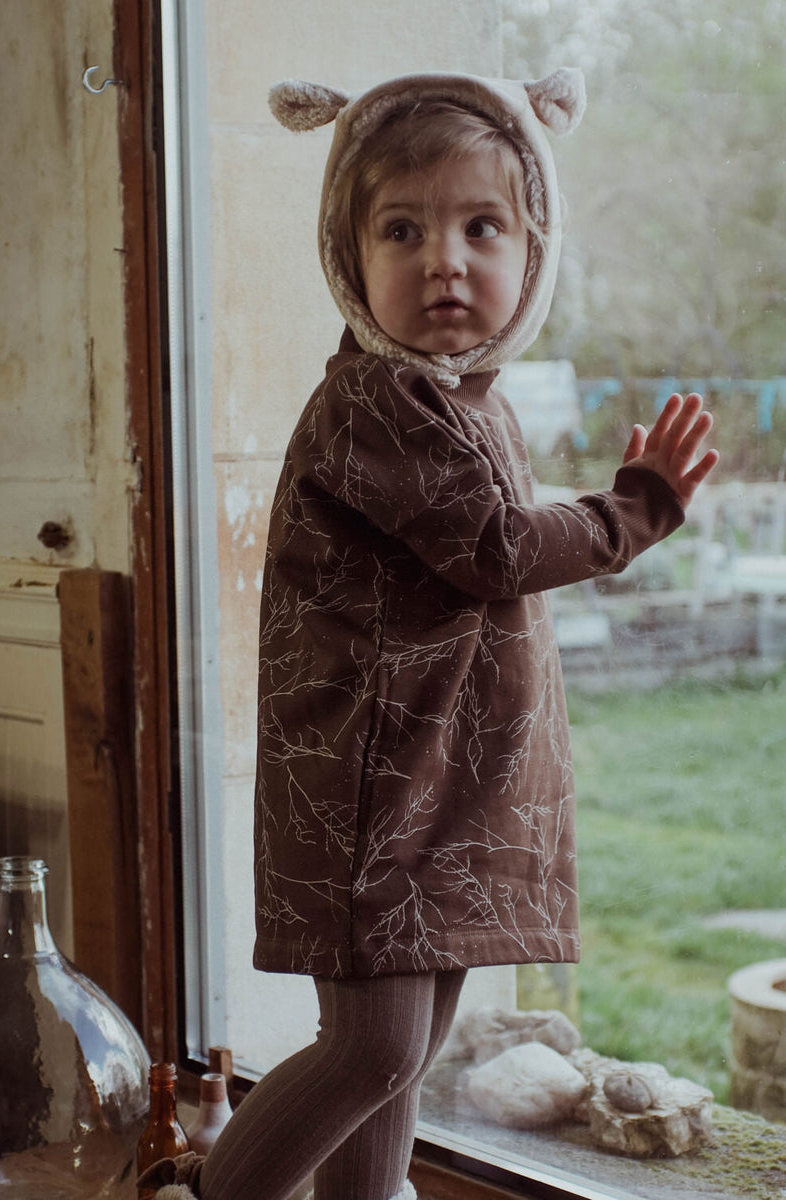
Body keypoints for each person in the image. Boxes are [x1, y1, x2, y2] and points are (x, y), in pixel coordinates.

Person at [139, 68, 718, 1200]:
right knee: (374, 1048)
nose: (443, 258)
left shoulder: (461, 400)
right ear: (349, 260)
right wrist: (633, 508)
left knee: (400, 1062)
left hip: (433, 786)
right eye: (401, 229)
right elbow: (496, 549)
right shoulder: (378, 400)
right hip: (374, 792)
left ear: (533, 250)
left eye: (480, 225)